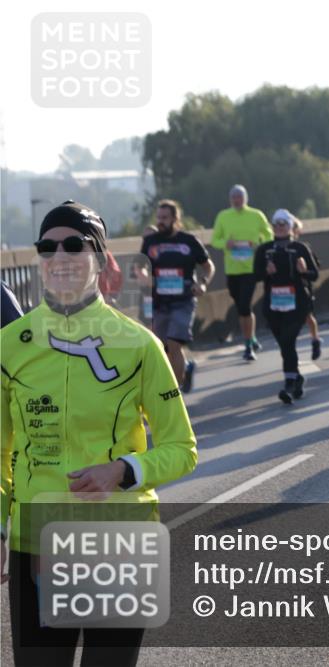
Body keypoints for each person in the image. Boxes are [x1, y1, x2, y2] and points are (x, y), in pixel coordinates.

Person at [2, 201, 198, 666]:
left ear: (101, 260)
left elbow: (182, 449)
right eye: (47, 248)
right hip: (38, 542)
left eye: (75, 245)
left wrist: (123, 470)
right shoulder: (10, 345)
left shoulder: (139, 344)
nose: (60, 257)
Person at [140, 199, 215, 392]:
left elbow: (208, 267)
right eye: (158, 218)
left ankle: (174, 392)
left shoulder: (188, 241)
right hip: (159, 302)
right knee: (161, 348)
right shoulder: (150, 242)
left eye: (164, 218)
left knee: (174, 342)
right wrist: (143, 275)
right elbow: (140, 266)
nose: (160, 221)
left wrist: (203, 283)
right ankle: (186, 368)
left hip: (184, 300)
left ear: (175, 219)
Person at [254, 209, 321, 404]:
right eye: (276, 224)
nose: (280, 227)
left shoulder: (300, 248)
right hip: (273, 305)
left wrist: (303, 271)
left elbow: (314, 275)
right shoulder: (264, 250)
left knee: (288, 340)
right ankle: (297, 377)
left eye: (284, 223)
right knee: (285, 344)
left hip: (298, 302)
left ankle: (289, 382)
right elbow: (256, 276)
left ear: (291, 226)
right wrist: (266, 272)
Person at [210, 184, 273, 359]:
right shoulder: (223, 216)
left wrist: (258, 243)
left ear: (245, 198)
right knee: (241, 308)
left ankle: (247, 346)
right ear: (230, 200)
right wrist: (226, 244)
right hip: (232, 269)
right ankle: (251, 337)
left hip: (250, 268)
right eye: (234, 197)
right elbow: (215, 240)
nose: (237, 200)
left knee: (245, 306)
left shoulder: (256, 215)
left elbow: (269, 236)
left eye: (240, 197)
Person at [290, 217, 322, 360]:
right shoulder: (277, 247)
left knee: (308, 317)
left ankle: (315, 339)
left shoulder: (303, 248)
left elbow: (315, 269)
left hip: (303, 288)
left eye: (294, 229)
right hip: (286, 291)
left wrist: (304, 270)